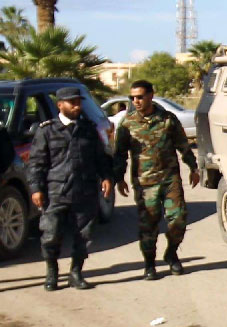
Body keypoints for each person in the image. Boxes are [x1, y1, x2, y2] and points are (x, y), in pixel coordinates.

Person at [112, 80, 200, 279]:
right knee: (148, 225)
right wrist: (119, 178)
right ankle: (149, 263)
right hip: (144, 183)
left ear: (151, 96)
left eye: (140, 97)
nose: (136, 101)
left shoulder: (167, 119)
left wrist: (193, 167)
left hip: (170, 179)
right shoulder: (127, 123)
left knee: (178, 219)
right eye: (133, 97)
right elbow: (119, 154)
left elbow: (182, 145)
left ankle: (171, 254)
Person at [27, 87, 113, 291]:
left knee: (84, 235)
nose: (77, 106)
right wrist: (36, 188)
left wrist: (107, 177)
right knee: (50, 235)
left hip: (85, 190)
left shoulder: (88, 129)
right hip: (55, 192)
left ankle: (76, 273)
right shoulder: (47, 130)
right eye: (71, 102)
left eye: (78, 102)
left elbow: (100, 157)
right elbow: (37, 163)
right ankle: (52, 273)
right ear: (60, 105)